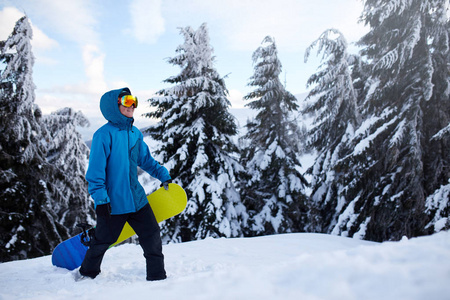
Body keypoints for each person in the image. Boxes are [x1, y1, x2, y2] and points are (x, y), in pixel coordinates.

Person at [79, 87, 171, 281]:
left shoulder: (135, 133)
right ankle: (87, 274)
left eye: (134, 101)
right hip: (113, 203)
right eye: (127, 101)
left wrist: (163, 175)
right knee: (104, 240)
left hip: (136, 199)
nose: (132, 106)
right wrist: (101, 200)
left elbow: (145, 160)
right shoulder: (103, 135)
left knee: (152, 235)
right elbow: (95, 173)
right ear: (115, 105)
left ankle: (158, 278)